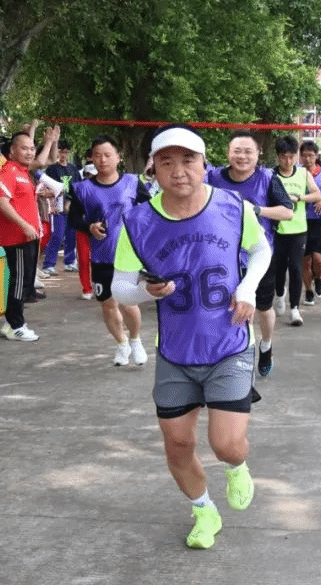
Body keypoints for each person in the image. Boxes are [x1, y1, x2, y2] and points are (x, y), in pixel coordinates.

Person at [111, 124, 270, 550]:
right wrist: (146, 292)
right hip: (175, 352)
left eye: (188, 160)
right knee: (178, 445)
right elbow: (120, 287)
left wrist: (247, 288)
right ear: (153, 168)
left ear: (204, 164)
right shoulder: (138, 221)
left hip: (229, 344)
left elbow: (261, 250)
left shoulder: (234, 207)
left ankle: (236, 467)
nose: (178, 171)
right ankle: (204, 511)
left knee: (227, 445)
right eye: (167, 162)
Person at [207, 131, 294, 377]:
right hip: (222, 257)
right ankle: (233, 357)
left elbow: (287, 212)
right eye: (237, 151)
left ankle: (266, 346)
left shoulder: (267, 178)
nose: (242, 156)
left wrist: (256, 210)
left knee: (263, 308)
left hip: (259, 256)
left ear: (258, 154)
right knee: (227, 308)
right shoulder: (213, 177)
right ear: (228, 153)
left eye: (248, 151)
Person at [68, 135, 151, 366]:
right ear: (91, 158)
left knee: (128, 302)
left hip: (128, 256)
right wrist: (89, 227)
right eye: (97, 155)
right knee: (107, 303)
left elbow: (149, 211)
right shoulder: (82, 188)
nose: (102, 160)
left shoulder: (132, 183)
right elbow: (74, 219)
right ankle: (121, 344)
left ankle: (135, 340)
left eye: (107, 155)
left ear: (118, 157)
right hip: (101, 256)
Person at [0, 124, 59, 341]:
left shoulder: (23, 171)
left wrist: (49, 141)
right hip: (18, 238)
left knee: (26, 281)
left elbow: (43, 160)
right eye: (25, 148)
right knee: (20, 281)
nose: (30, 152)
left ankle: (10, 322)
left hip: (29, 236)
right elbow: (2, 203)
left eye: (32, 148)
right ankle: (17, 326)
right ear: (12, 151)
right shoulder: (9, 172)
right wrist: (23, 225)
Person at [271, 135, 321, 326]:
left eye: (291, 156)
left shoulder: (303, 174)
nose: (288, 161)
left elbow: (317, 194)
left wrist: (300, 197)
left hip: (298, 230)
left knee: (295, 268)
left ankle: (295, 309)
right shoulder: (271, 176)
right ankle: (279, 294)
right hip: (277, 230)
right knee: (278, 269)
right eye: (283, 157)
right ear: (278, 157)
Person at [299, 140, 321, 307]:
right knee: (305, 261)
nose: (307, 159)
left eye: (310, 155)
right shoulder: (296, 172)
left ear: (316, 156)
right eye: (304, 155)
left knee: (318, 259)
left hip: (320, 220)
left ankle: (318, 278)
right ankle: (308, 291)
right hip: (301, 221)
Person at [40, 141, 80, 276]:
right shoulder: (52, 169)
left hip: (72, 207)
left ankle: (70, 262)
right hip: (57, 207)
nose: (63, 155)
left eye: (66, 152)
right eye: (61, 151)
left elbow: (78, 187)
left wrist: (73, 202)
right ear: (57, 152)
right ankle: (49, 264)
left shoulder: (73, 169)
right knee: (57, 234)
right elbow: (45, 187)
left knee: (71, 235)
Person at [75, 163, 96, 300]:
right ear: (86, 175)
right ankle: (87, 288)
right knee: (83, 259)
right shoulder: (78, 189)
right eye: (90, 175)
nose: (92, 178)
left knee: (100, 259)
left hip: (100, 229)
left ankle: (99, 284)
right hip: (83, 229)